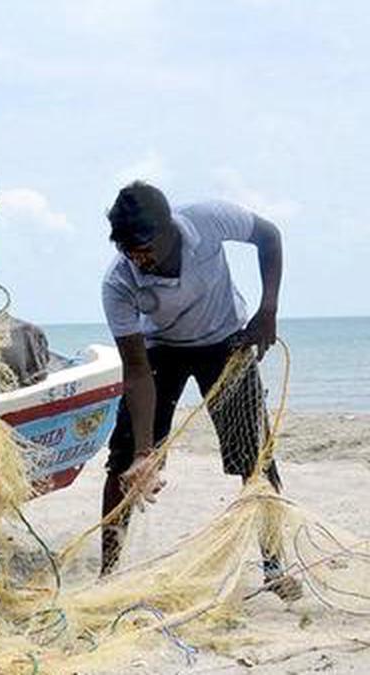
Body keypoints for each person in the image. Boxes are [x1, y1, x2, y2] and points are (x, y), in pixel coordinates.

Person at [99, 181, 300, 600]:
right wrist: (143, 453)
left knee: (255, 456)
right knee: (122, 461)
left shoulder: (207, 220)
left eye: (144, 250)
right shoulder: (118, 282)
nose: (139, 261)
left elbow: (269, 236)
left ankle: (274, 567)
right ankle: (108, 573)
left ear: (168, 228)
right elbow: (136, 370)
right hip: (160, 350)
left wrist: (268, 311)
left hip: (225, 341)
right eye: (128, 253)